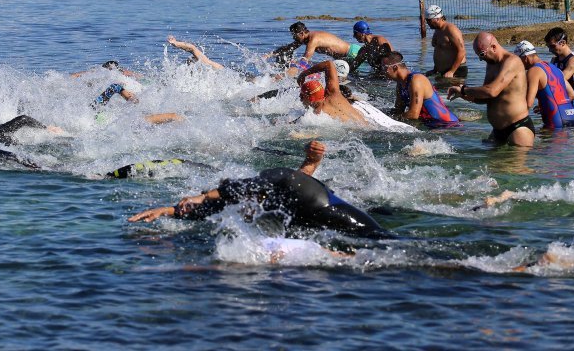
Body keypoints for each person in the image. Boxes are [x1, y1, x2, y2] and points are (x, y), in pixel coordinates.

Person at [128, 141, 389, 239]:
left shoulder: (275, 178)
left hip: (357, 226)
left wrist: (202, 195)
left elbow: (243, 189)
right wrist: (168, 211)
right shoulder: (272, 203)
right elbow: (220, 205)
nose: (246, 213)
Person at [447, 32, 535, 147]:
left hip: (518, 128)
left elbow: (492, 90)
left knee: (514, 165)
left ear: (493, 47)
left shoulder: (512, 61)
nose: (481, 59)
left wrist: (464, 89)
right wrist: (462, 95)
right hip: (497, 131)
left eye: (482, 54)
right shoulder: (491, 64)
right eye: (479, 56)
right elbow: (486, 97)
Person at [381, 51, 461, 128]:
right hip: (430, 125)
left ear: (395, 68)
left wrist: (388, 120)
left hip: (447, 125)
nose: (382, 71)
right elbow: (398, 110)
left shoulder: (416, 80)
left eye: (384, 67)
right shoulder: (400, 84)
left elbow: (413, 114)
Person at [513, 40, 574, 129]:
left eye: (518, 61)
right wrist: (547, 104)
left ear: (525, 58)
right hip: (572, 118)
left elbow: (528, 103)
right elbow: (572, 95)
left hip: (557, 121)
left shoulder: (534, 71)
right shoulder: (555, 68)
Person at [296, 60, 368, 125]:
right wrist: (303, 74)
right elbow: (329, 64)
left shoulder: (317, 115)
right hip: (369, 126)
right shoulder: (334, 93)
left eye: (302, 96)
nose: (300, 98)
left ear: (310, 98)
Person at [544, 27, 574, 115]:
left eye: (552, 46)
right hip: (558, 106)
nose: (550, 50)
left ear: (563, 43)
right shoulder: (554, 60)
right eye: (548, 47)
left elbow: (557, 82)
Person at [424, 4, 468, 79]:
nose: (427, 23)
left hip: (456, 71)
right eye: (426, 20)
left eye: (429, 20)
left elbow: (462, 51)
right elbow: (441, 51)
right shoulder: (437, 30)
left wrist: (452, 71)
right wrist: (435, 70)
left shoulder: (451, 30)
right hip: (443, 72)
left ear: (437, 18)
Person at [289, 21, 361, 65]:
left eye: (294, 35)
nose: (293, 38)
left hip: (353, 53)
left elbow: (304, 60)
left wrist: (292, 68)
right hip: (346, 57)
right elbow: (290, 47)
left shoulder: (313, 40)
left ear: (301, 34)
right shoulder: (305, 39)